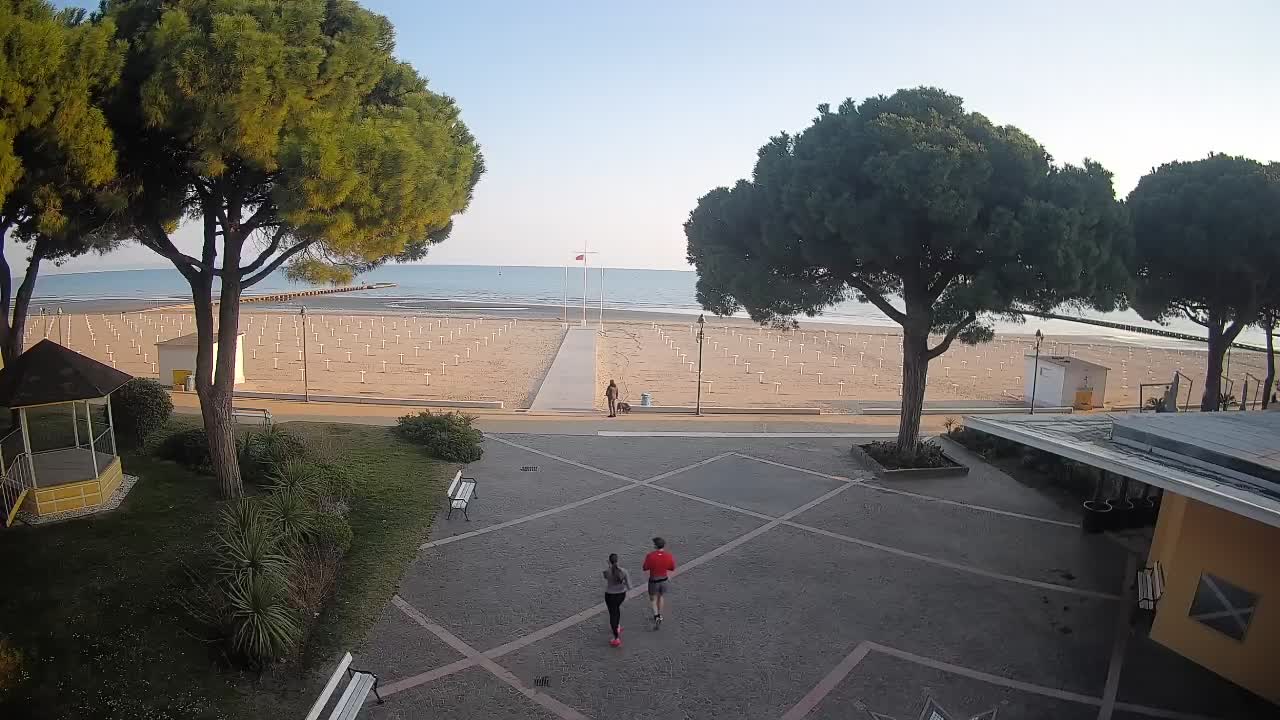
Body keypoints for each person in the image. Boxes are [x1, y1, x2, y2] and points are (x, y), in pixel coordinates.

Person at [642, 536, 676, 627]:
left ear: (655, 546)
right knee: (661, 596)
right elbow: (672, 567)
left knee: (653, 599)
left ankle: (656, 615)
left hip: (653, 581)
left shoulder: (650, 556)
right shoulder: (668, 556)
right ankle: (660, 615)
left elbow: (645, 568)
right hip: (664, 580)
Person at [602, 553, 631, 647]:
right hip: (621, 595)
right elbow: (629, 586)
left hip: (610, 595)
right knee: (617, 609)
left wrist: (609, 566)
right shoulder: (624, 571)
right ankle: (617, 627)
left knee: (612, 614)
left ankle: (616, 638)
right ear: (618, 560)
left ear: (609, 561)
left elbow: (606, 576)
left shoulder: (607, 572)